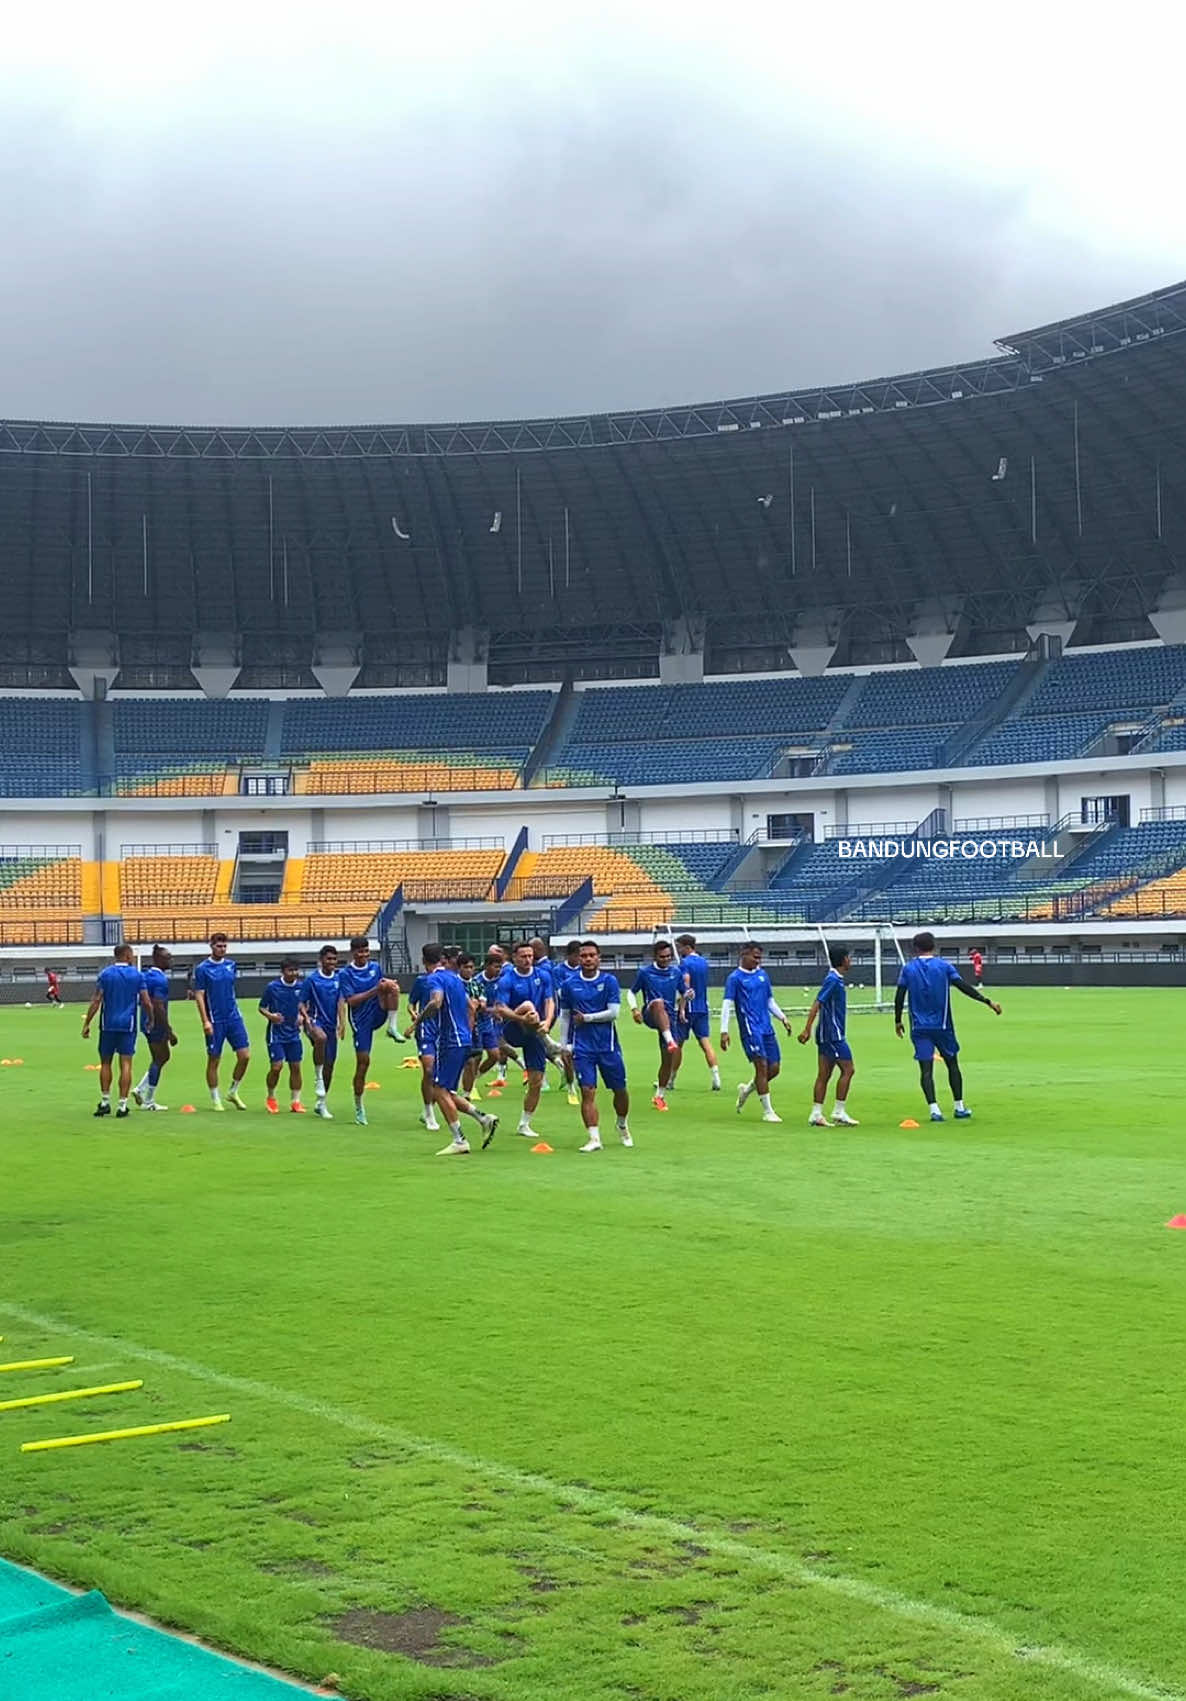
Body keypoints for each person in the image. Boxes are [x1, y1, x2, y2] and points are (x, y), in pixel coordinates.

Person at [895, 931, 1002, 1122]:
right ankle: (959, 1107)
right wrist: (987, 1001)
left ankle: (934, 1110)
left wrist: (897, 1020)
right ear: (933, 946)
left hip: (919, 1027)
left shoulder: (908, 969)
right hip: (943, 1026)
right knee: (952, 1064)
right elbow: (963, 986)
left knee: (925, 1069)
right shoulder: (944, 966)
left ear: (915, 948)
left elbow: (900, 995)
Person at [413, 951, 499, 1156]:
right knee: (448, 1091)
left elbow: (436, 1002)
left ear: (424, 962)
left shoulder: (433, 978)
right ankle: (483, 1118)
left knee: (438, 1090)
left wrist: (419, 1020)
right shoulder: (455, 978)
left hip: (450, 1041)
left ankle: (459, 1139)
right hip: (463, 1039)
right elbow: (471, 1006)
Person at [560, 940, 632, 1152]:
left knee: (620, 1090)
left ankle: (621, 1124)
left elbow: (614, 1012)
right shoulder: (569, 984)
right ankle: (594, 1138)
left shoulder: (609, 981)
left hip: (607, 1046)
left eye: (592, 955)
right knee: (587, 1091)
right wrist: (565, 1045)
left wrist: (587, 1018)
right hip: (583, 1048)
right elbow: (565, 1017)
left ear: (599, 958)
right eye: (584, 956)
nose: (588, 959)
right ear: (578, 958)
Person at [492, 940, 565, 1140]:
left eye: (530, 956)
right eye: (523, 956)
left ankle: (524, 1124)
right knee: (527, 1005)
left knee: (536, 1081)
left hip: (535, 1029)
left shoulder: (543, 975)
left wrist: (548, 1022)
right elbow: (500, 1009)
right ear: (514, 958)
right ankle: (548, 1041)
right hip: (513, 1027)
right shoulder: (507, 979)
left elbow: (550, 1001)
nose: (527, 960)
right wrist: (521, 1018)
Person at [720, 942, 793, 1123]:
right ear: (743, 955)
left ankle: (748, 1089)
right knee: (761, 1066)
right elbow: (727, 1004)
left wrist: (782, 1018)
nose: (758, 961)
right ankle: (768, 1111)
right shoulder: (735, 978)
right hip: (750, 1028)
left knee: (774, 1068)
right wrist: (724, 1030)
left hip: (766, 1027)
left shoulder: (762, 975)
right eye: (755, 957)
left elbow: (769, 1001)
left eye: (760, 957)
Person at [81, 943, 154, 1119]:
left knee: (105, 1063)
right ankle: (122, 1105)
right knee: (126, 1064)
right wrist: (150, 1019)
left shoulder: (105, 974)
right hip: (127, 1025)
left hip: (108, 1025)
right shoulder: (137, 975)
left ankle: (105, 1102)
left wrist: (87, 1023)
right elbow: (145, 1001)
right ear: (127, 955)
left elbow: (96, 1000)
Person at [339, 934, 401, 1126]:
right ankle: (359, 1107)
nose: (363, 955)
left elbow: (382, 986)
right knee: (363, 1062)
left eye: (366, 951)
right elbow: (351, 1001)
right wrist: (376, 989)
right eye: (360, 951)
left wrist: (386, 985)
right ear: (353, 952)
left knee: (393, 987)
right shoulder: (345, 974)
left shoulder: (375, 967)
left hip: (378, 1011)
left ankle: (392, 1026)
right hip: (361, 1020)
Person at [798, 945, 859, 1127]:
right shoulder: (833, 980)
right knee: (848, 1069)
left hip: (828, 1033)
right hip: (833, 1035)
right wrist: (807, 1028)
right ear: (843, 960)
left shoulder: (835, 979)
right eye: (849, 957)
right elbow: (817, 1003)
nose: (851, 961)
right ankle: (838, 1111)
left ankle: (816, 1114)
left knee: (824, 1074)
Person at [192, 932, 250, 1111]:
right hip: (215, 1020)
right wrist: (205, 1021)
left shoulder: (231, 965)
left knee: (245, 1056)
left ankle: (233, 1091)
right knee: (214, 1059)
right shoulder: (203, 969)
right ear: (211, 946)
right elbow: (199, 995)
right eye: (219, 946)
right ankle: (215, 1097)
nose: (222, 949)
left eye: (225, 946)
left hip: (234, 1017)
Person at [627, 939, 685, 1111]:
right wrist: (634, 1009)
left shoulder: (676, 972)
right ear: (655, 956)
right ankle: (670, 1040)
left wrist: (686, 1000)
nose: (666, 959)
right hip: (650, 1012)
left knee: (668, 1060)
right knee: (658, 1003)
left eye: (668, 956)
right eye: (662, 957)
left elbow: (683, 993)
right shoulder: (645, 972)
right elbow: (631, 992)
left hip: (669, 1017)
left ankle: (659, 1096)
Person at [300, 944, 345, 1120]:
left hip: (330, 1024)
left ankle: (321, 1103)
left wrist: (342, 1023)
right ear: (321, 961)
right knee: (321, 1038)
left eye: (334, 959)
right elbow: (302, 1002)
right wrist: (306, 1018)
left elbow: (341, 1001)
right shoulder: (312, 980)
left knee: (330, 1066)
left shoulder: (338, 979)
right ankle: (317, 1077)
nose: (332, 962)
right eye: (329, 959)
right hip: (314, 1022)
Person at [132, 944, 178, 1111]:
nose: (170, 960)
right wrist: (169, 1030)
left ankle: (141, 1089)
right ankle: (148, 1099)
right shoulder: (160, 980)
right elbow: (158, 1006)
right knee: (161, 1058)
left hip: (146, 1022)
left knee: (161, 1057)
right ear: (158, 959)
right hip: (156, 1024)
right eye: (168, 957)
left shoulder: (146, 976)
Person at [405, 944, 444, 1132]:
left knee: (439, 1074)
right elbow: (410, 1003)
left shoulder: (446, 979)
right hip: (426, 1029)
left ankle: (430, 1108)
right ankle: (429, 1113)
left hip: (445, 1030)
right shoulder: (422, 981)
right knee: (429, 1070)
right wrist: (414, 1015)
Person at [259, 957, 306, 1114]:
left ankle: (296, 1101)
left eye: (295, 970)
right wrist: (271, 1016)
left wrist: (302, 1016)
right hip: (276, 1034)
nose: (293, 973)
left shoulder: (301, 986)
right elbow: (262, 1007)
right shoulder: (272, 987)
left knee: (296, 1067)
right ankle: (271, 1098)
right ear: (283, 971)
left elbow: (306, 1005)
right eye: (290, 970)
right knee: (276, 1067)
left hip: (294, 1034)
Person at [674, 933, 721, 1090]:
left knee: (678, 1044)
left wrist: (681, 1009)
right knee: (705, 1042)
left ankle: (670, 1080)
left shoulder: (685, 963)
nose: (678, 949)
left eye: (680, 946)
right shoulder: (703, 962)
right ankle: (716, 1078)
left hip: (689, 1008)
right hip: (702, 1007)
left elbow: (686, 985)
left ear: (687, 947)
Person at [550, 939, 584, 1106]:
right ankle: (571, 1088)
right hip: (568, 1015)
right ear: (569, 955)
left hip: (584, 1017)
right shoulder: (559, 971)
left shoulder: (585, 969)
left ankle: (579, 1080)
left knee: (582, 1053)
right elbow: (561, 992)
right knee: (567, 1052)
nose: (581, 959)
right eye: (578, 955)